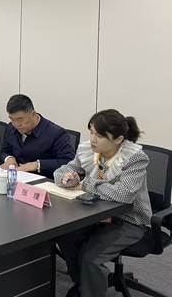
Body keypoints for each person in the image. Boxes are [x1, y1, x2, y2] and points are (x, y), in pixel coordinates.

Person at [54, 110, 151, 297]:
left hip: (128, 220)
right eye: (91, 132)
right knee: (66, 236)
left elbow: (124, 194)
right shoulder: (89, 150)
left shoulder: (134, 158)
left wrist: (85, 184)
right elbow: (66, 168)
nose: (92, 139)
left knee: (91, 258)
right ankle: (83, 284)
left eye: (99, 135)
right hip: (94, 214)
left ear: (118, 139)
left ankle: (90, 289)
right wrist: (65, 177)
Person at [0, 94, 75, 178]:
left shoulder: (56, 133)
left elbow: (68, 162)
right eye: (12, 119)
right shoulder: (11, 127)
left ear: (33, 114)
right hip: (15, 177)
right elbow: (3, 151)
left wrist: (38, 165)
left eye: (20, 119)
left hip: (42, 180)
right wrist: (9, 158)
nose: (16, 124)